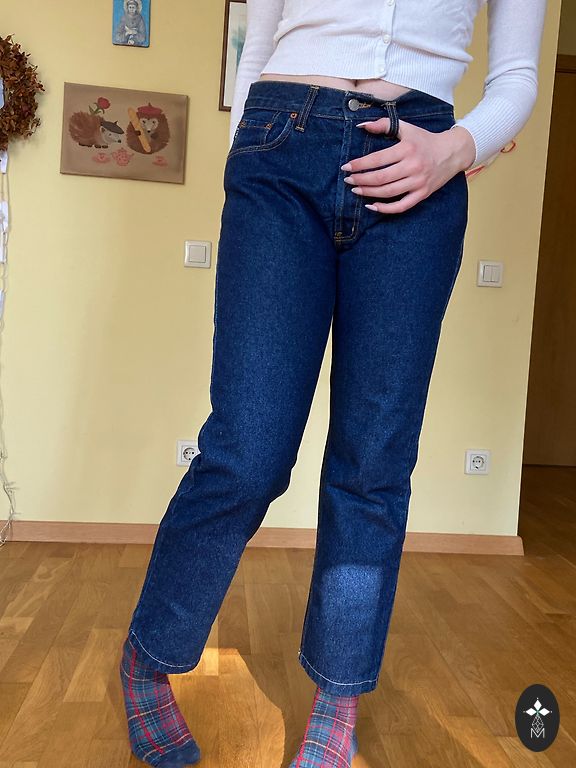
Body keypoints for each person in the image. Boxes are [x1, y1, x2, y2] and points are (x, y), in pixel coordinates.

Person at [119, 1, 547, 766]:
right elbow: (258, 46)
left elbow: (516, 76)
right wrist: (249, 155)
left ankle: (337, 700)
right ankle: (147, 659)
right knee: (245, 455)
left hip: (419, 161)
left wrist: (454, 151)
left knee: (373, 462)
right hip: (281, 144)